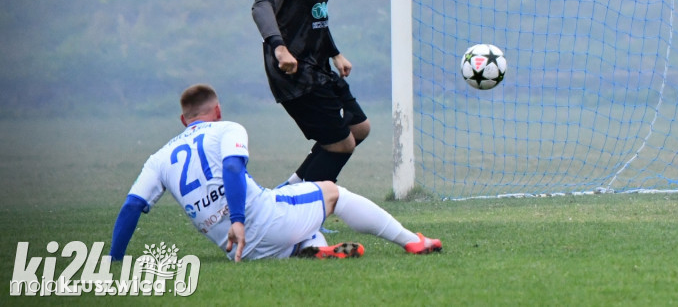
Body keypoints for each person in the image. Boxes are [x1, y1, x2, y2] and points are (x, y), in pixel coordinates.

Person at [110, 84, 441, 262]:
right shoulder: (226, 129)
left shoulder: (159, 158)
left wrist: (114, 261)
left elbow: (130, 208)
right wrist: (238, 218)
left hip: (237, 250)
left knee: (297, 213)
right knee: (330, 191)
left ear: (184, 120)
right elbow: (231, 168)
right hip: (259, 222)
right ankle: (413, 242)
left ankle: (309, 248)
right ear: (217, 111)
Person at [252, 0, 370, 184]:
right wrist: (280, 49)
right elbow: (261, 7)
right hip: (295, 76)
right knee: (341, 144)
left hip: (318, 67)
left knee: (359, 128)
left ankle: (289, 189)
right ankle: (302, 213)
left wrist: (335, 53)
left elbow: (316, 18)